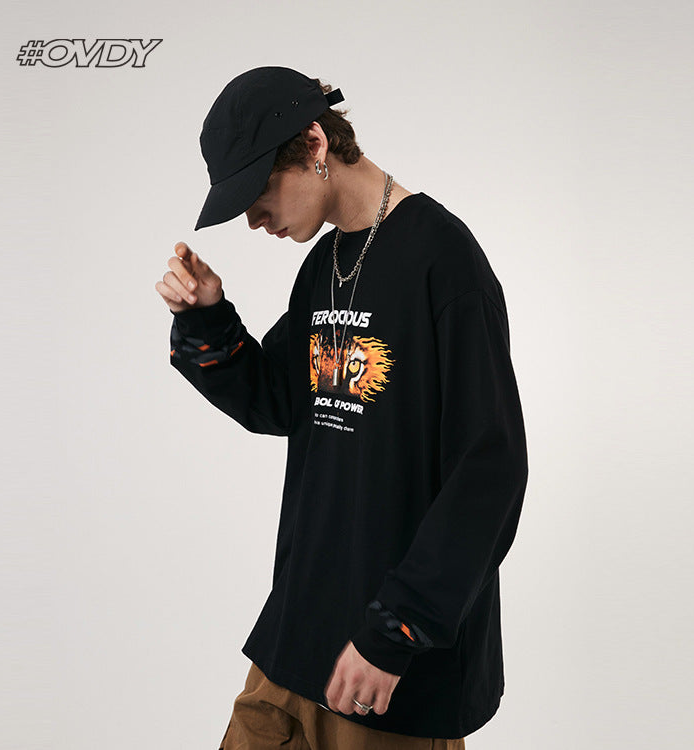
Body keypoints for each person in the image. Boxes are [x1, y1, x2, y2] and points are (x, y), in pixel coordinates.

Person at [155, 66, 529, 749]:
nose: (253, 219)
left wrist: (397, 631)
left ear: (313, 144)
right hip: (293, 641)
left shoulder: (444, 260)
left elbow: (489, 471)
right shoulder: (324, 264)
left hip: (383, 672)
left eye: (258, 192)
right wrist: (207, 318)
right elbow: (278, 401)